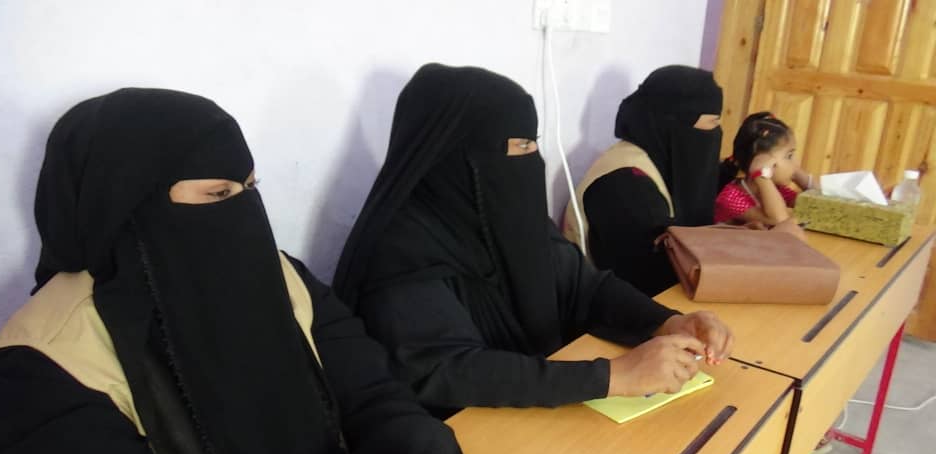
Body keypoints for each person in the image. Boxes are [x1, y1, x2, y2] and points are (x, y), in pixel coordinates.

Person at [0, 89, 519, 454]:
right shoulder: (38, 364)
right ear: (127, 205)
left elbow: (377, 396)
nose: (244, 212)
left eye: (250, 188)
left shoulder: (276, 276)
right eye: (218, 193)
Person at [333, 64, 733, 419]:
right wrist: (613, 376)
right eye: (521, 146)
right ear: (457, 155)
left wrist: (665, 321)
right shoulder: (399, 250)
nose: (532, 158)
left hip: (535, 414)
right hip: (464, 436)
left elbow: (585, 289)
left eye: (534, 143)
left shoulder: (504, 214)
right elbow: (448, 370)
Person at [563, 66, 723, 296]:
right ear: (677, 121)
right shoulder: (625, 185)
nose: (717, 132)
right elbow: (651, 278)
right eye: (713, 123)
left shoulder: (653, 159)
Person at [715, 112, 814, 233]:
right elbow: (779, 219)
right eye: (789, 156)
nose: (796, 162)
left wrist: (797, 173)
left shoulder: (777, 190)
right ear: (763, 163)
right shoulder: (731, 197)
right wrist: (761, 175)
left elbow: (815, 206)